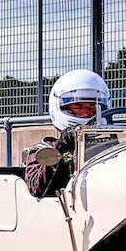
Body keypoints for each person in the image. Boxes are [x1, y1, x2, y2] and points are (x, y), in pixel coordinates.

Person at [24, 69, 110, 198]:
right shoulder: (42, 150)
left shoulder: (109, 146)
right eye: (78, 108)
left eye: (92, 108)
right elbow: (36, 189)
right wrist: (60, 149)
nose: (86, 113)